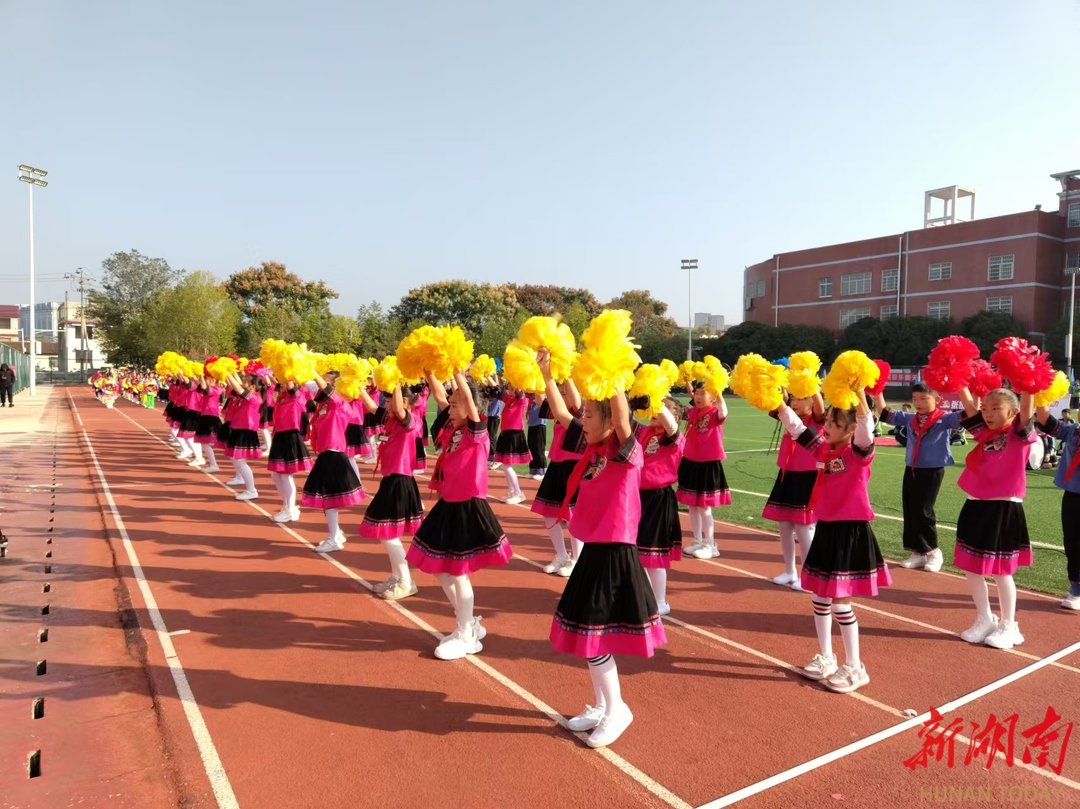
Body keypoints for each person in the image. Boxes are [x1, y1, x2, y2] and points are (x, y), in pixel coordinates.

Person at [539, 348, 665, 749]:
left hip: (615, 554)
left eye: (591, 415)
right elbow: (561, 414)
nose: (583, 420)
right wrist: (547, 374)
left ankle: (618, 709)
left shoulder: (628, 453)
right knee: (586, 636)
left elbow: (624, 419)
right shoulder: (591, 449)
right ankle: (600, 704)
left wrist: (612, 377)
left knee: (595, 639)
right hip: (593, 551)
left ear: (610, 422)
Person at [776, 387, 890, 694]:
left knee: (841, 601)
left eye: (834, 425)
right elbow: (798, 430)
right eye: (826, 423)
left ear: (850, 430)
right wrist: (778, 403)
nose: (825, 428)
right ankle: (826, 657)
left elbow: (866, 427)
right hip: (826, 527)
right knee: (819, 596)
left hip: (849, 531)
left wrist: (861, 396)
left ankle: (855, 666)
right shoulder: (823, 450)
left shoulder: (858, 453)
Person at [406, 370, 513, 659]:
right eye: (451, 405)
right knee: (439, 569)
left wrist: (457, 371)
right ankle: (468, 623)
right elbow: (441, 396)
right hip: (448, 505)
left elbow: (464, 396)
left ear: (472, 409)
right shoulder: (454, 428)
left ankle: (466, 634)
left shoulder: (477, 432)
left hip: (467, 508)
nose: (450, 409)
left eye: (456, 405)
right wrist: (428, 372)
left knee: (458, 572)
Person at [953, 386, 1036, 650]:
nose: (987, 413)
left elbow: (1027, 408)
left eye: (996, 408)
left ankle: (1009, 625)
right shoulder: (984, 433)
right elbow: (968, 403)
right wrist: (957, 378)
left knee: (1002, 571)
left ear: (1012, 412)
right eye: (985, 408)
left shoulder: (1019, 435)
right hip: (976, 504)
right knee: (971, 567)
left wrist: (1029, 384)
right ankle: (985, 618)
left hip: (1003, 507)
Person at [875, 384, 963, 573]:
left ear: (937, 400)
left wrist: (965, 389)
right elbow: (885, 413)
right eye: (915, 398)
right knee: (910, 508)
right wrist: (877, 391)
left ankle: (933, 551)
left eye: (924, 398)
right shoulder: (910, 418)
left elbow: (970, 416)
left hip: (932, 470)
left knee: (924, 510)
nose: (918, 403)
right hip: (912, 468)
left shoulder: (945, 419)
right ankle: (918, 551)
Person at [358, 381, 425, 601]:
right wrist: (356, 385)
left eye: (388, 400)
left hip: (400, 481)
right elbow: (372, 408)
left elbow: (397, 408)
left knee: (388, 535)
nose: (385, 405)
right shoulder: (390, 419)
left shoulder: (410, 420)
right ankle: (398, 576)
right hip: (391, 480)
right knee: (388, 534)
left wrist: (395, 381)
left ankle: (405, 580)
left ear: (404, 401)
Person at [763, 391, 825, 590]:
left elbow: (820, 406)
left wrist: (813, 388)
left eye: (801, 399)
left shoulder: (817, 420)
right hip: (787, 473)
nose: (795, 403)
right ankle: (790, 570)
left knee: (803, 527)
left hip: (807, 476)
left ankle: (808, 574)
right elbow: (778, 406)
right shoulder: (789, 415)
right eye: (794, 398)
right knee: (784, 525)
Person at [302, 371, 368, 547]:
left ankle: (334, 539)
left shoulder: (338, 402)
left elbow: (324, 387)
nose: (320, 384)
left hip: (333, 453)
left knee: (328, 499)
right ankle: (336, 534)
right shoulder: (324, 403)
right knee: (327, 499)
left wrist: (311, 369)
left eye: (325, 382)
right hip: (327, 452)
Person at [632, 396, 685, 615]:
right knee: (635, 549)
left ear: (674, 417)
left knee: (655, 553)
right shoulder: (644, 432)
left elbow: (669, 423)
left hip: (659, 498)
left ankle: (660, 601)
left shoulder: (674, 437)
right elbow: (623, 419)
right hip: (637, 495)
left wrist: (654, 396)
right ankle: (642, 596)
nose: (654, 411)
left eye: (661, 409)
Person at [531, 379, 585, 576]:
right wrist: (537, 377)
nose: (561, 397)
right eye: (559, 393)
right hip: (557, 465)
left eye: (565, 393)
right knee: (548, 512)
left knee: (572, 516)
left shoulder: (581, 414)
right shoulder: (558, 411)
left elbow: (577, 402)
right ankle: (561, 555)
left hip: (575, 466)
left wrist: (568, 375)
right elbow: (539, 401)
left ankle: (577, 559)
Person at [677, 380, 731, 559]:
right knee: (692, 505)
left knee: (704, 507)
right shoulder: (693, 412)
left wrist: (720, 394)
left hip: (708, 464)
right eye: (697, 393)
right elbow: (675, 409)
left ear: (713, 396)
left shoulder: (715, 413)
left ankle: (710, 544)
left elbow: (723, 411)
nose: (698, 397)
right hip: (691, 461)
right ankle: (697, 540)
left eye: (703, 393)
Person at [526, 394, 548, 480]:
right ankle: (533, 470)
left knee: (539, 448)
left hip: (540, 423)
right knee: (532, 447)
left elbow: (542, 403)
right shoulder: (532, 395)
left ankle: (541, 471)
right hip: (532, 423)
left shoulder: (541, 392)